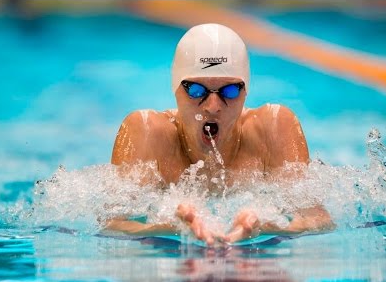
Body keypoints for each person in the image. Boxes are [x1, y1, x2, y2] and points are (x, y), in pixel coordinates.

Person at [105, 23, 334, 246]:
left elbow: (320, 222)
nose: (213, 106)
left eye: (230, 91)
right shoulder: (147, 132)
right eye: (196, 90)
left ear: (245, 92)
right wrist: (166, 228)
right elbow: (109, 225)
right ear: (175, 90)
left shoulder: (273, 129)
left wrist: (270, 227)